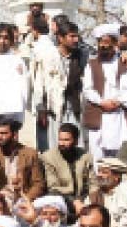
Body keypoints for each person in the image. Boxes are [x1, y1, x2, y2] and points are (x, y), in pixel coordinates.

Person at [82, 24, 127, 160]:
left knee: (122, 155)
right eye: (101, 43)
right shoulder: (91, 64)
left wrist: (118, 102)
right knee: (98, 156)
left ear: (114, 43)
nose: (103, 46)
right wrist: (102, 102)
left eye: (107, 42)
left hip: (120, 115)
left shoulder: (125, 63)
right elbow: (87, 89)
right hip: (99, 114)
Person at [32, 21, 86, 150]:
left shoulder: (82, 56)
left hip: (74, 108)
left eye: (76, 36)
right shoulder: (47, 56)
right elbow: (39, 84)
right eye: (72, 36)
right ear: (60, 38)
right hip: (53, 109)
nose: (76, 40)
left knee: (75, 146)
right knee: (53, 147)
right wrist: (41, 108)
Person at [0, 118, 45, 205]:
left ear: (14, 135)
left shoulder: (30, 154)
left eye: (4, 133)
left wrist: (26, 199)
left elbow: (38, 184)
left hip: (24, 198)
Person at [40, 123, 94, 218]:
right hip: (60, 201)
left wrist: (91, 199)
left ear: (76, 141)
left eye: (66, 140)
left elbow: (92, 182)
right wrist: (74, 202)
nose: (62, 143)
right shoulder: (48, 157)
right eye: (60, 139)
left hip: (83, 200)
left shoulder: (85, 155)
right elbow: (53, 188)